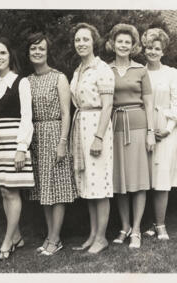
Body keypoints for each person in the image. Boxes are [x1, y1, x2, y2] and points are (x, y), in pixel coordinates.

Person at [24, 32, 78, 256]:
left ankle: (56, 239)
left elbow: (66, 113)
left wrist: (62, 142)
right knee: (44, 190)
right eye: (33, 48)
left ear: (47, 52)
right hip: (36, 136)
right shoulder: (26, 81)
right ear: (28, 52)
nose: (37, 52)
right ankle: (49, 236)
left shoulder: (59, 77)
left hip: (55, 133)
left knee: (58, 189)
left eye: (41, 49)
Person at [106, 23, 155, 248]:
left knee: (138, 181)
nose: (123, 45)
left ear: (133, 45)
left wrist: (150, 132)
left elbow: (149, 101)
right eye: (120, 41)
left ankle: (136, 229)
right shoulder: (106, 70)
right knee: (120, 181)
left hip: (137, 127)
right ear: (113, 44)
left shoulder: (141, 70)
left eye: (127, 42)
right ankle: (124, 226)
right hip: (115, 128)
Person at [0, 37, 34, 261]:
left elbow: (27, 117)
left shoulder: (20, 82)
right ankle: (17, 237)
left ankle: (7, 241)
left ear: (10, 55)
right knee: (4, 191)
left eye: (2, 53)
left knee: (12, 191)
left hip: (15, 143)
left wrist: (21, 148)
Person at [70, 23, 115, 254]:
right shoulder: (78, 70)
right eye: (78, 40)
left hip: (98, 127)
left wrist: (98, 137)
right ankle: (92, 234)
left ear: (93, 42)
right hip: (81, 127)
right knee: (88, 185)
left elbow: (108, 106)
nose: (81, 44)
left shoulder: (102, 69)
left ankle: (102, 237)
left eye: (85, 39)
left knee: (101, 185)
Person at [141, 28, 177, 240]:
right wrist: (148, 129)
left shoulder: (171, 73)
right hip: (145, 128)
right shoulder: (140, 72)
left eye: (156, 48)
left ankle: (160, 225)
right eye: (149, 47)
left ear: (163, 51)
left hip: (167, 129)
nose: (152, 51)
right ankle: (147, 223)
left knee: (161, 178)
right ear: (143, 49)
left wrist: (167, 130)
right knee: (144, 179)